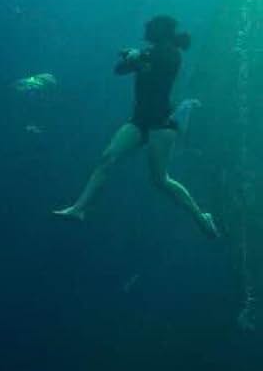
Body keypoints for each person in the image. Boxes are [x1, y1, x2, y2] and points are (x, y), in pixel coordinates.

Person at [53, 15, 219, 238]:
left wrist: (138, 57)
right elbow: (119, 70)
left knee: (160, 180)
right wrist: (135, 58)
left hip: (162, 123)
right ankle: (78, 208)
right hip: (139, 120)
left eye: (151, 27)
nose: (146, 28)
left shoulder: (171, 54)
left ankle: (201, 216)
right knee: (107, 158)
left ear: (161, 31)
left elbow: (161, 64)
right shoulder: (150, 53)